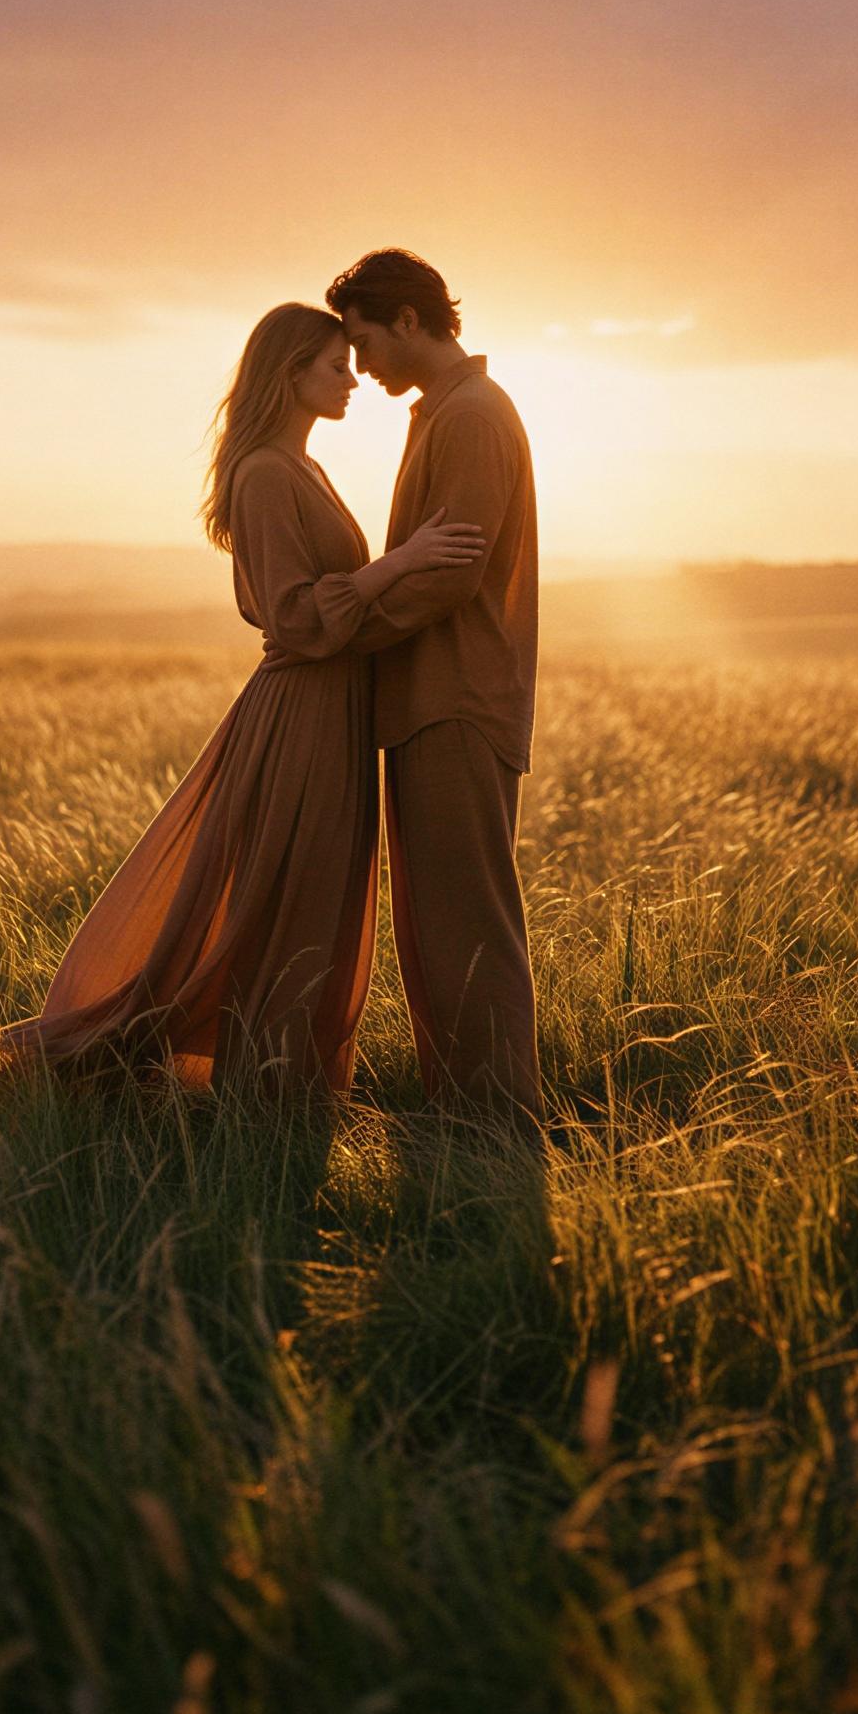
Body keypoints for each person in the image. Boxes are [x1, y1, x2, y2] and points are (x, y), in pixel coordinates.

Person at [0, 302, 484, 1101]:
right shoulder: (263, 475)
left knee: (316, 897)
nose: (352, 379)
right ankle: (262, 1088)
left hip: (337, 710)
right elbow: (292, 614)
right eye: (333, 366)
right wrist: (404, 563)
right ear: (288, 377)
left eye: (352, 363)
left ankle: (287, 1086)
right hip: (303, 713)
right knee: (289, 899)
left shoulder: (307, 469)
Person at [324, 249, 542, 1128]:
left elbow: (451, 573)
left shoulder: (474, 417)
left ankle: (493, 1127)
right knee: (436, 927)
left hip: (457, 699)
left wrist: (340, 625)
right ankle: (461, 1112)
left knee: (468, 924)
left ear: (408, 322)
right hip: (428, 698)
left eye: (363, 340)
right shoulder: (445, 412)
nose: (360, 364)